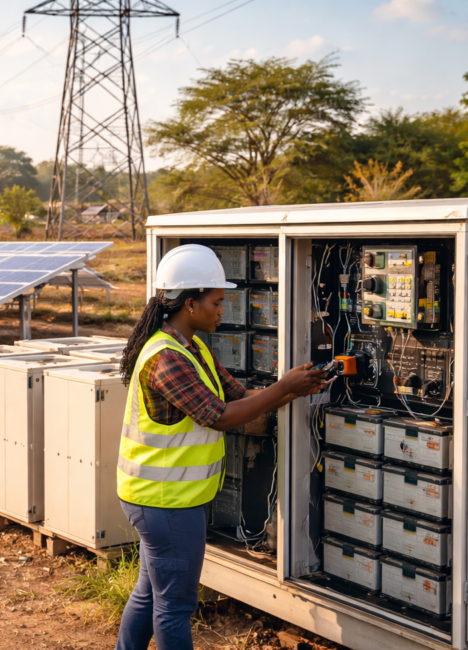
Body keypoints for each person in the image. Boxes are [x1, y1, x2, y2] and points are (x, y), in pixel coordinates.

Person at [114, 245, 331, 650]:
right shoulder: (167, 359)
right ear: (191, 303)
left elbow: (238, 396)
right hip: (165, 503)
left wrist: (293, 388)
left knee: (150, 595)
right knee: (175, 607)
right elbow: (220, 415)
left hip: (162, 499)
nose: (222, 311)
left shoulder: (191, 348)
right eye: (216, 302)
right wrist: (283, 389)